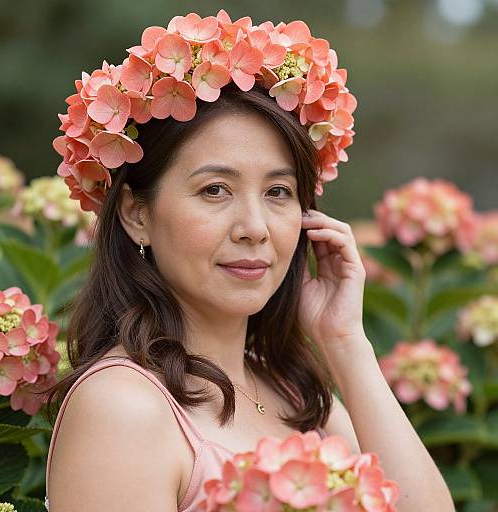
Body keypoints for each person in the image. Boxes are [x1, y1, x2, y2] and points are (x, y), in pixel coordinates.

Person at [43, 10, 455, 512]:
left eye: (278, 191)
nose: (255, 227)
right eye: (215, 190)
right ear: (135, 213)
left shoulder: (292, 393)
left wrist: (345, 342)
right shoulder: (123, 407)